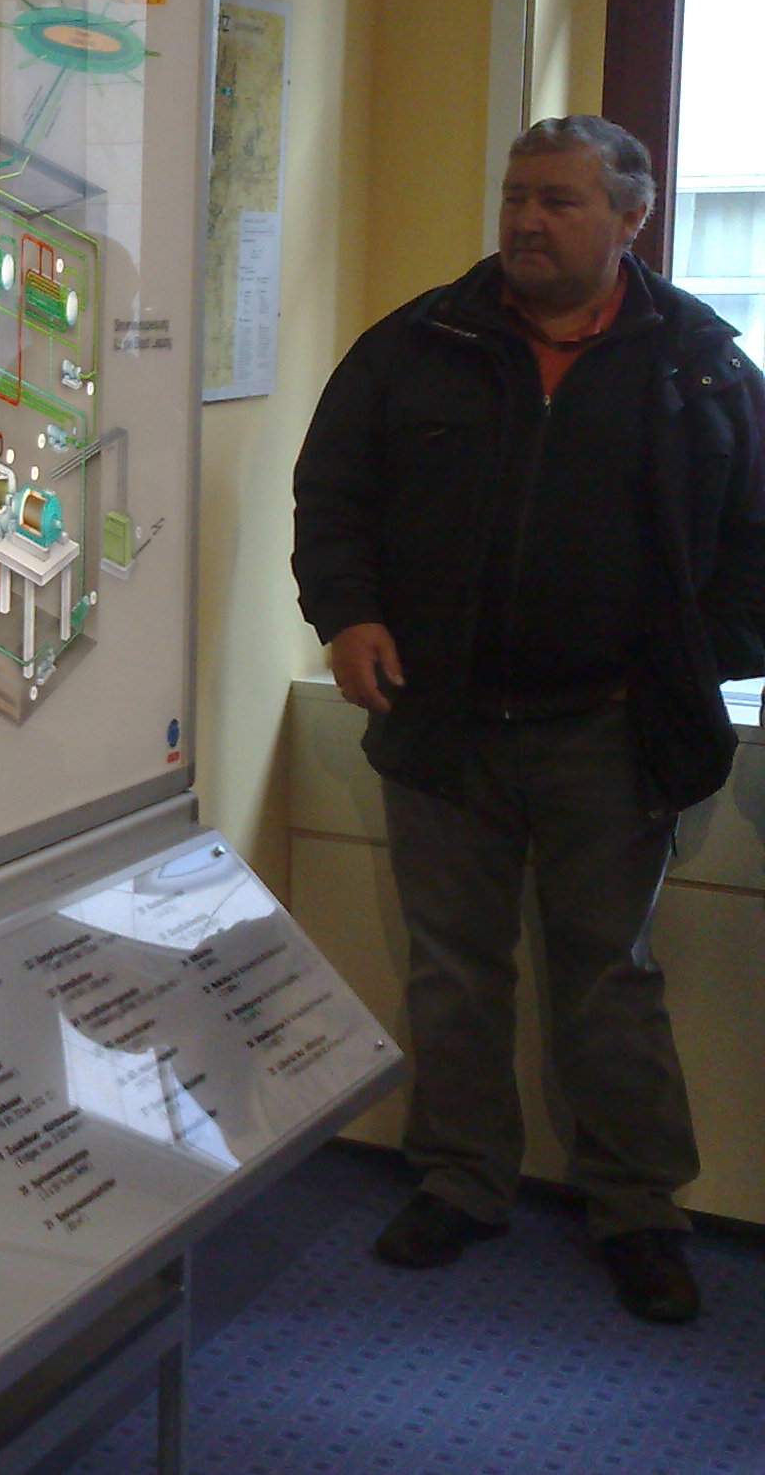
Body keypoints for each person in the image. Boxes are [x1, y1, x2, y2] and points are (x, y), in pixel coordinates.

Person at [293, 115, 765, 1323]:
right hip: (442, 722)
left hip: (613, 735)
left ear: (631, 218)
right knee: (455, 970)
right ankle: (461, 1179)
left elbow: (758, 545)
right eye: (515, 195)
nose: (526, 220)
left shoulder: (701, 366)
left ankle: (638, 1209)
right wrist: (349, 616)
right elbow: (332, 494)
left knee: (609, 981)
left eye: (559, 200)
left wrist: (692, 663)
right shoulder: (418, 344)